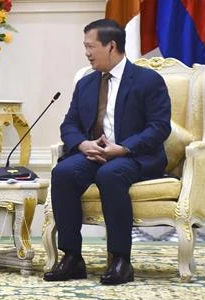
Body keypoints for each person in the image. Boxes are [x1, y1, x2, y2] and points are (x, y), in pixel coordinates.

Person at [44, 19, 171, 285]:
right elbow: (69, 124)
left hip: (134, 155)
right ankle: (72, 258)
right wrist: (82, 145)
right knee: (64, 172)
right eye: (85, 47)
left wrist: (123, 148)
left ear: (111, 46)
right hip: (95, 153)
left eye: (91, 47)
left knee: (111, 174)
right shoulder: (86, 83)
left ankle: (120, 260)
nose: (87, 53)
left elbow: (159, 128)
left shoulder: (148, 80)